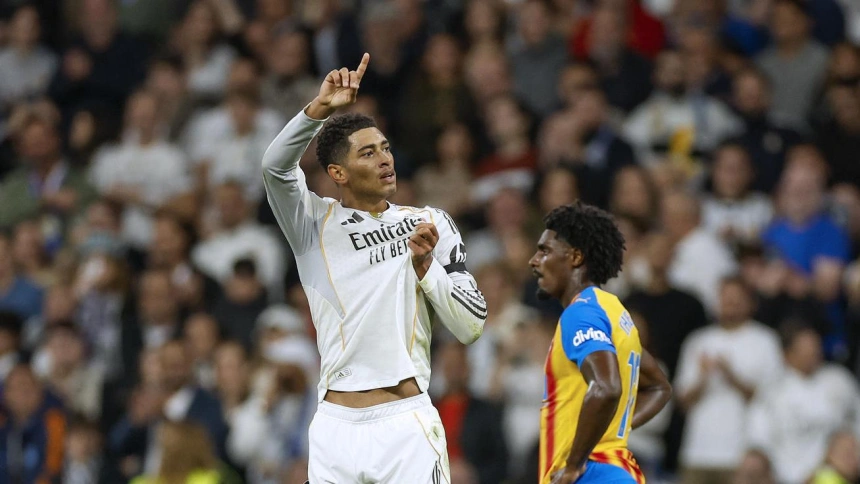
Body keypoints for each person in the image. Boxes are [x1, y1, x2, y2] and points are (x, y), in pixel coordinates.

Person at [261, 54, 486, 483]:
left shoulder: (429, 222)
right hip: (335, 428)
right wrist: (318, 110)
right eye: (368, 153)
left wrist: (426, 270)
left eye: (385, 148)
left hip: (406, 422)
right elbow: (275, 167)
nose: (385, 159)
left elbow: (471, 325)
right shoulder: (313, 225)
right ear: (337, 173)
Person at [528, 203, 672, 484]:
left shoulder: (580, 313)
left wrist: (573, 464)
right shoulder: (612, 311)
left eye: (544, 251)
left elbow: (606, 387)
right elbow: (658, 387)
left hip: (593, 474)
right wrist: (611, 427)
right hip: (615, 469)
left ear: (576, 257)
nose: (533, 260)